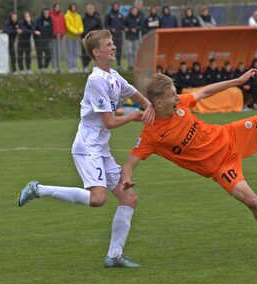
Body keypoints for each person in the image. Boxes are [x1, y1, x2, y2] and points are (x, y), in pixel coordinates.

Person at [121, 71, 257, 257]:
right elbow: (129, 163)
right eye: (172, 94)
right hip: (222, 168)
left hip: (230, 135)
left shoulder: (180, 104)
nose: (177, 97)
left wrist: (238, 80)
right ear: (159, 103)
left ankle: (244, 148)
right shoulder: (150, 135)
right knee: (254, 202)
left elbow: (205, 92)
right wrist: (127, 180)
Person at [18, 29, 155, 268]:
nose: (114, 47)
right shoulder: (95, 82)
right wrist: (134, 115)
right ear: (96, 52)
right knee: (98, 199)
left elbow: (136, 95)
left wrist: (150, 106)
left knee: (129, 198)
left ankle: (114, 256)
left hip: (100, 148)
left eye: (113, 43)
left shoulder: (112, 75)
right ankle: (39, 189)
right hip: (87, 147)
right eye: (109, 44)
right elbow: (109, 122)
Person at [81, 4, 102, 72]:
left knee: (95, 52)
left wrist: (96, 33)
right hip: (86, 37)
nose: (90, 10)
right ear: (86, 10)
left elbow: (100, 27)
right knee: (85, 52)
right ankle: (85, 66)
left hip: (95, 38)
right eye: (89, 9)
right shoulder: (84, 18)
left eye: (91, 9)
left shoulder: (97, 17)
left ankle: (98, 66)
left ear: (93, 10)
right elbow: (82, 28)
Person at [104, 2, 125, 69]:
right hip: (111, 37)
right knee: (110, 50)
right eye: (115, 6)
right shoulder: (109, 15)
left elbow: (123, 25)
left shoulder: (120, 15)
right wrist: (111, 29)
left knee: (119, 50)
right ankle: (109, 65)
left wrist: (120, 27)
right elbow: (105, 25)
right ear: (112, 6)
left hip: (119, 36)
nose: (116, 7)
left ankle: (119, 65)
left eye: (117, 6)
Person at [65, 3, 84, 73]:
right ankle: (70, 67)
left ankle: (74, 66)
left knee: (76, 52)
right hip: (70, 37)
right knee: (69, 52)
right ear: (70, 8)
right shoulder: (67, 16)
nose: (73, 8)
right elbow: (68, 26)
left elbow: (81, 25)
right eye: (72, 7)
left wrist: (80, 31)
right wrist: (76, 31)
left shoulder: (78, 16)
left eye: (74, 7)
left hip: (77, 37)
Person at [124, 6, 142, 71]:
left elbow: (141, 26)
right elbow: (124, 26)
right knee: (129, 52)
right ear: (131, 11)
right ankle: (130, 66)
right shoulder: (127, 18)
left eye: (136, 10)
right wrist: (128, 29)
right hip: (128, 37)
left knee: (135, 52)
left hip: (136, 37)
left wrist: (136, 29)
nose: (135, 12)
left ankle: (135, 65)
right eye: (133, 10)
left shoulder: (139, 18)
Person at [50, 2, 66, 73]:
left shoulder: (62, 15)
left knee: (59, 52)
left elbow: (64, 25)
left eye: (58, 7)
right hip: (53, 37)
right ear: (54, 8)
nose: (57, 8)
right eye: (56, 7)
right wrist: (53, 33)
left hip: (61, 37)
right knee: (53, 52)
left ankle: (59, 67)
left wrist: (62, 33)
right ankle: (54, 67)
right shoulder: (50, 15)